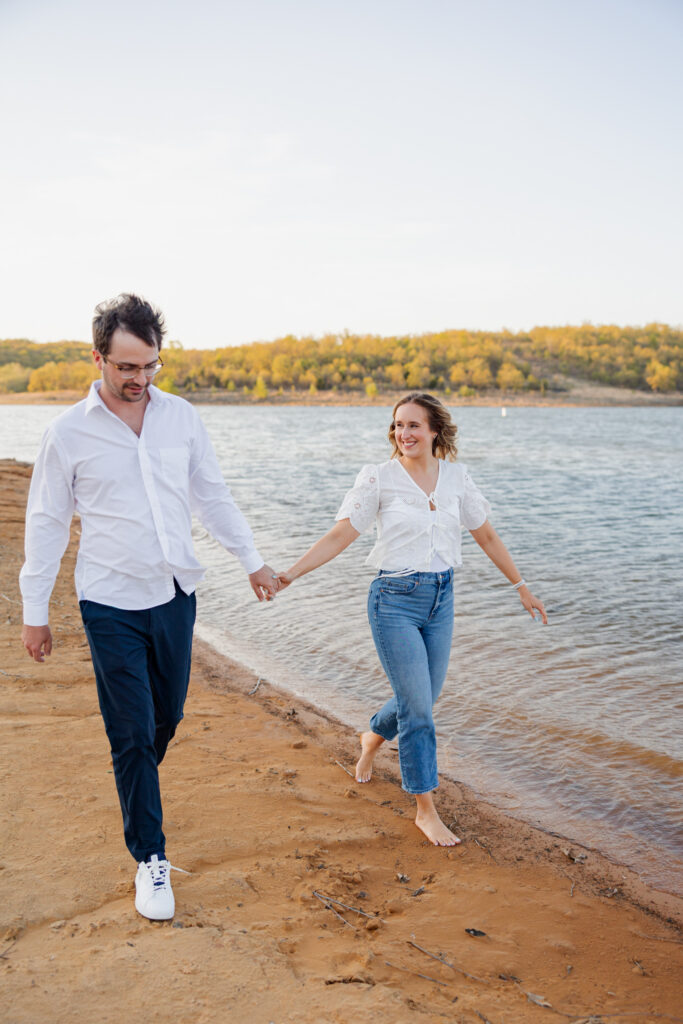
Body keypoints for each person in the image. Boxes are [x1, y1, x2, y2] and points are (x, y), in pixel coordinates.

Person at [20, 293, 279, 920]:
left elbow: (211, 495)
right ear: (98, 359)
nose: (139, 379)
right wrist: (34, 609)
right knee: (132, 732)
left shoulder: (180, 417)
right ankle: (151, 858)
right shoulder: (67, 433)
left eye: (150, 366)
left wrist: (251, 559)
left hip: (174, 594)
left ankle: (133, 774)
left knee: (167, 717)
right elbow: (47, 522)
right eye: (127, 367)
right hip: (108, 599)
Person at [277, 392, 547, 847]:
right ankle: (425, 810)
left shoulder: (457, 478)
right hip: (393, 601)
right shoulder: (378, 478)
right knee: (418, 709)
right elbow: (341, 534)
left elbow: (486, 535)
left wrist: (521, 586)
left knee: (424, 697)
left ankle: (372, 738)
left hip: (442, 599)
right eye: (398, 425)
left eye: (414, 425)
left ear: (435, 430)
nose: (404, 433)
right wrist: (291, 574)